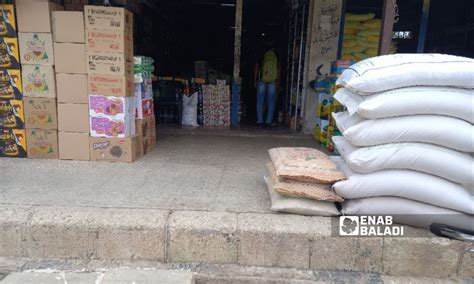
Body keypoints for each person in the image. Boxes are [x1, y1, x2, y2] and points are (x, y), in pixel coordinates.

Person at [254, 44, 279, 128]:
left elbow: (257, 67)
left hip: (262, 80)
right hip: (272, 81)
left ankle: (260, 122)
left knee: (260, 102)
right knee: (271, 102)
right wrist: (277, 81)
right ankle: (268, 123)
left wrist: (255, 80)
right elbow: (279, 69)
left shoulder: (261, 53)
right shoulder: (275, 55)